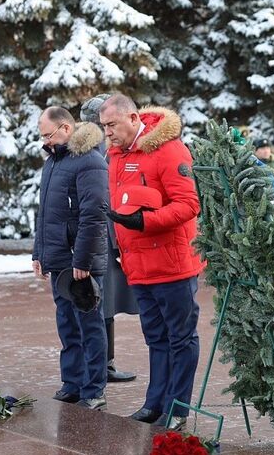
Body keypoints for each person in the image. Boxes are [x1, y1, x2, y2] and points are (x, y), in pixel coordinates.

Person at [100, 94, 204, 431]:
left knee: (180, 337)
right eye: (103, 127)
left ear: (133, 118)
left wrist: (145, 223)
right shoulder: (116, 154)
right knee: (156, 338)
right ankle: (155, 402)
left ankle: (178, 408)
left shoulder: (169, 149)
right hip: (139, 264)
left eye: (111, 125)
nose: (107, 133)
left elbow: (189, 205)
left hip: (173, 265)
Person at [33, 106, 109, 410]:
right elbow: (46, 215)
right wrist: (39, 253)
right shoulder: (53, 162)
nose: (45, 142)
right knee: (67, 324)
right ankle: (73, 382)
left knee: (89, 325)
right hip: (60, 260)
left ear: (65, 129)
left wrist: (83, 261)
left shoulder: (89, 161)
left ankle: (94, 389)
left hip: (80, 263)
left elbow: (94, 216)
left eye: (47, 135)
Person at [79, 94, 138, 383]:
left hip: (110, 237)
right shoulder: (90, 154)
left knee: (107, 305)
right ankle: (98, 367)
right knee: (97, 304)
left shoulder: (109, 151)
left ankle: (105, 364)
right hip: (100, 239)